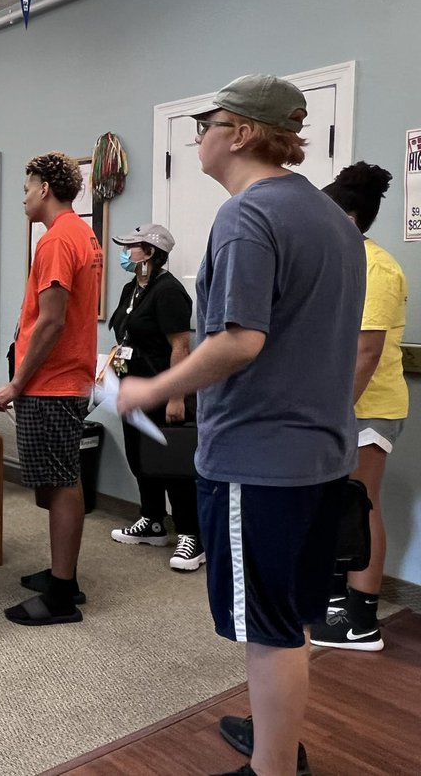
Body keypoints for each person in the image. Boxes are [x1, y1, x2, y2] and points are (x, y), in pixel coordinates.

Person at [116, 75, 364, 776]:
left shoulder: (246, 216)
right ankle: (277, 744)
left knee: (269, 628)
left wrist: (152, 388)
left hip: (259, 460)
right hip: (321, 457)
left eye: (207, 124)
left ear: (243, 132)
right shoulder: (333, 221)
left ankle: (272, 768)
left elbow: (239, 340)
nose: (199, 137)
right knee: (288, 618)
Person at [0, 152, 102, 628]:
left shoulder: (56, 240)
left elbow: (52, 322)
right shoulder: (81, 232)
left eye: (26, 188)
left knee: (60, 483)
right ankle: (63, 576)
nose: (23, 197)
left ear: (45, 189)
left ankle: (61, 593)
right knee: (60, 479)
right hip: (65, 379)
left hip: (52, 383)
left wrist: (17, 383)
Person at [311, 162, 408, 653]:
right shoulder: (341, 261)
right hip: (338, 404)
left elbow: (366, 353)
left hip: (368, 407)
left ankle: (363, 622)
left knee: (361, 503)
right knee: (336, 505)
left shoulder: (377, 267)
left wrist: (333, 413)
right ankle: (335, 602)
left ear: (346, 218)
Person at [106, 223, 203, 572]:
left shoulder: (169, 291)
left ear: (149, 253)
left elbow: (181, 347)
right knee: (141, 458)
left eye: (131, 247)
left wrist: (176, 397)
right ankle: (152, 521)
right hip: (133, 390)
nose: (125, 253)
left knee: (172, 464)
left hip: (162, 390)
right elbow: (127, 337)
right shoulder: (132, 288)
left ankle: (191, 535)